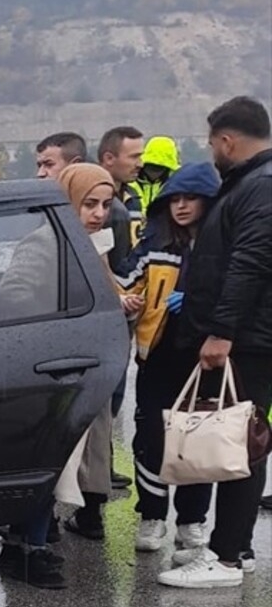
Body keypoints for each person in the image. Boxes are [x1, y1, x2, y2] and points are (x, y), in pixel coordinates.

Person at [0, 163, 138, 586]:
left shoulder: (88, 244)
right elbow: (12, 295)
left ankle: (28, 546)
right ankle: (27, 550)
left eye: (105, 204)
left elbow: (100, 292)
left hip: (82, 370)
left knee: (60, 466)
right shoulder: (45, 243)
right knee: (47, 465)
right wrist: (62, 327)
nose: (97, 213)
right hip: (51, 372)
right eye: (88, 203)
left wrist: (120, 302)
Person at [159, 97, 272, 589]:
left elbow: (249, 263)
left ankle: (227, 556)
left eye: (212, 143)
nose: (213, 152)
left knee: (239, 441)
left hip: (246, 338)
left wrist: (222, 331)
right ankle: (236, 548)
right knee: (239, 437)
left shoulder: (260, 187)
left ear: (228, 141)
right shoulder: (252, 184)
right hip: (244, 334)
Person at [114, 161, 221, 554]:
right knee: (151, 440)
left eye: (190, 198)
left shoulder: (225, 249)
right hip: (158, 358)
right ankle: (153, 516)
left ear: (209, 202)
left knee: (199, 441)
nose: (180, 206)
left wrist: (194, 304)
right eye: (174, 198)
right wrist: (129, 302)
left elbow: (236, 297)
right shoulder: (155, 245)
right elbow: (124, 282)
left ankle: (192, 521)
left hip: (205, 359)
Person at [97, 125, 146, 260]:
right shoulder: (90, 200)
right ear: (109, 159)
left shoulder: (133, 197)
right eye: (134, 157)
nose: (140, 164)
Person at [131, 135, 181, 211]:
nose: (154, 171)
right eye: (151, 166)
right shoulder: (128, 184)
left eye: (159, 168)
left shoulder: (176, 186)